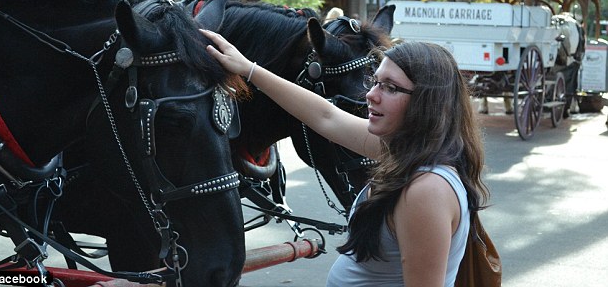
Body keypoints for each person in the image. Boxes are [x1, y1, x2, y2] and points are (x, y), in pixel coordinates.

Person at [200, 29, 490, 287]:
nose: (371, 95)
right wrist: (248, 69)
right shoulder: (404, 152)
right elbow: (326, 116)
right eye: (375, 81)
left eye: (390, 87)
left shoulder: (427, 189)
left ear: (426, 101)